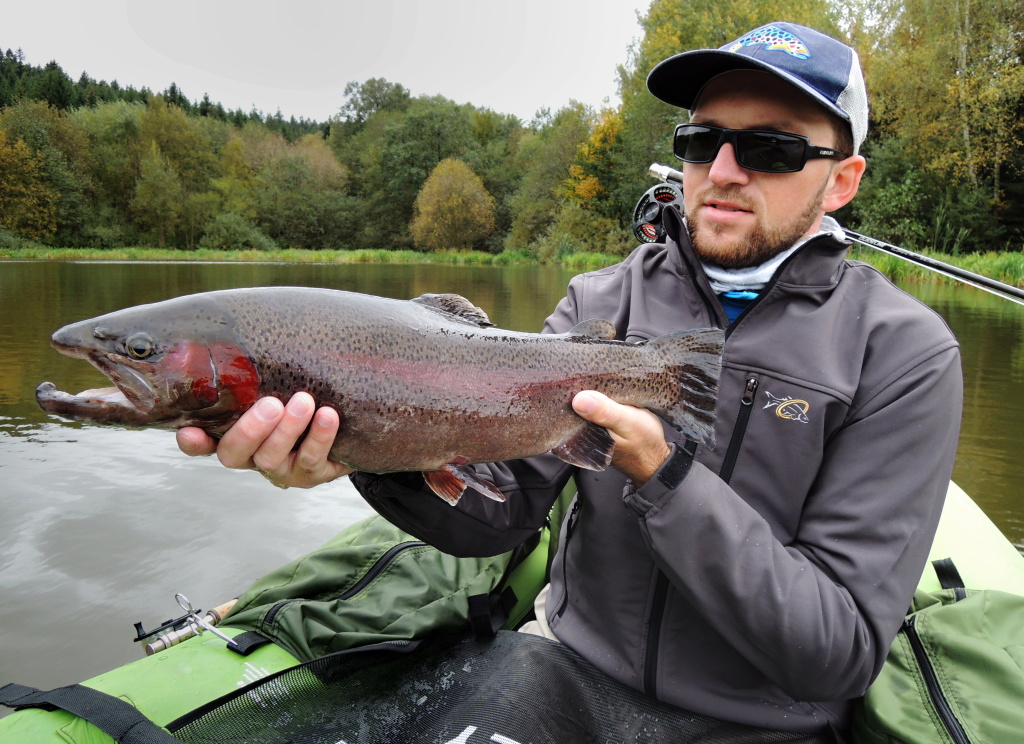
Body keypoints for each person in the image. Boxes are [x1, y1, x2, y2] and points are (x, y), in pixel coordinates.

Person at [177, 22, 962, 740]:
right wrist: (367, 450)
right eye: (702, 140)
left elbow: (838, 654)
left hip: (763, 723)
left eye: (773, 150)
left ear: (843, 179)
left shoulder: (902, 353)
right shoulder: (602, 301)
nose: (723, 170)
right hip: (564, 672)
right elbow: (500, 518)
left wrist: (665, 475)